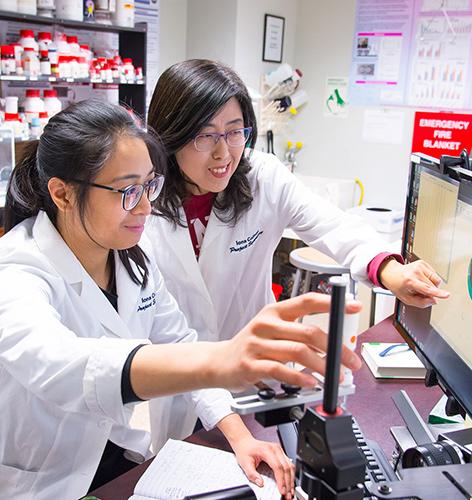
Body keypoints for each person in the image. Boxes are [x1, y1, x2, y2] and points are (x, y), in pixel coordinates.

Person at [0, 100, 361, 499]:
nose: (145, 207)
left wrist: (240, 436)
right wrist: (220, 361)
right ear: (63, 195)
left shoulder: (130, 260)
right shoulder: (17, 270)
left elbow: (179, 342)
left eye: (150, 185)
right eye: (127, 191)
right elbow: (60, 366)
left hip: (118, 466)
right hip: (43, 481)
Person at [145, 59, 450, 448]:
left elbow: (331, 224)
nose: (223, 153)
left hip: (255, 381)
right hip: (178, 384)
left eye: (235, 132)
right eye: (205, 136)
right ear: (171, 136)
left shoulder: (263, 179)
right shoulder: (143, 203)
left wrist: (388, 270)